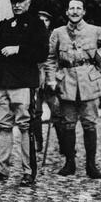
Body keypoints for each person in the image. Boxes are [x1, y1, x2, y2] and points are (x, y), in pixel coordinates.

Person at [45, 0, 101, 179]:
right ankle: (69, 164)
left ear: (83, 12)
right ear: (67, 12)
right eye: (71, 8)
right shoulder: (58, 33)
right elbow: (50, 58)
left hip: (89, 83)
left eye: (78, 8)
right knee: (68, 124)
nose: (74, 11)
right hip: (66, 83)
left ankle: (91, 165)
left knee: (90, 124)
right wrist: (51, 79)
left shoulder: (95, 31)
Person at [0, 0, 49, 187]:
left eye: (21, 1)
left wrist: (18, 49)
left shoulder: (36, 24)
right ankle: (1, 168)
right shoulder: (4, 24)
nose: (17, 5)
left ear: (29, 1)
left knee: (25, 127)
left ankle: (28, 171)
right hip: (2, 84)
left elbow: (42, 53)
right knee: (4, 126)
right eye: (14, 1)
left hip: (23, 83)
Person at [34, 11, 65, 155]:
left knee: (58, 113)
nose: (43, 23)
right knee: (35, 113)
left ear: (50, 23)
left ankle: (64, 144)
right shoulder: (31, 35)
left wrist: (56, 78)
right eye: (40, 20)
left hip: (52, 82)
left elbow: (61, 59)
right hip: (35, 81)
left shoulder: (56, 37)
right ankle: (37, 142)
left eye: (46, 20)